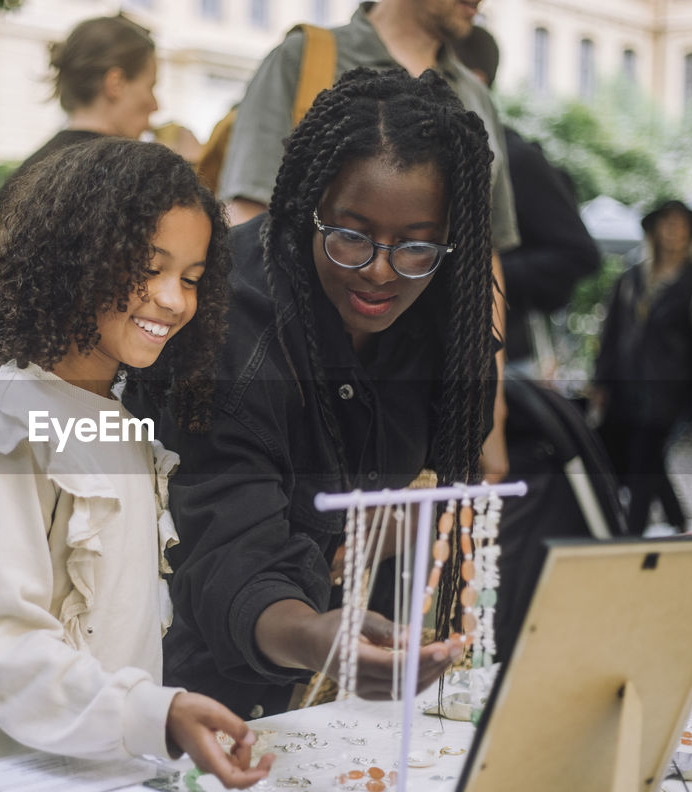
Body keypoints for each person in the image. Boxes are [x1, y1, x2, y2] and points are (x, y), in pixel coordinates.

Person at [0, 138, 274, 792]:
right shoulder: (13, 430)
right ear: (74, 262)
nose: (170, 298)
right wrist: (157, 713)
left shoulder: (115, 422)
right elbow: (4, 640)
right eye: (147, 268)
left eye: (190, 277)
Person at [133, 68, 487, 721]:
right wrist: (316, 635)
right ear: (308, 204)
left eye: (415, 246)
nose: (381, 271)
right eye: (351, 235)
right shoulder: (229, 334)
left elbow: (456, 465)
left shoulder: (444, 310)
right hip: (194, 700)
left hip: (334, 698)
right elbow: (225, 551)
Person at [213, 0, 517, 483]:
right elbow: (251, 219)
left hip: (410, 404)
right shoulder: (307, 56)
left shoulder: (475, 96)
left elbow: (482, 258)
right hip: (299, 387)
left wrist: (486, 407)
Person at [453, 24, 600, 375]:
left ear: (473, 79)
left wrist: (481, 274)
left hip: (501, 359)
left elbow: (580, 254)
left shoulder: (513, 157)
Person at [593, 200, 692, 533]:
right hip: (626, 383)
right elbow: (612, 331)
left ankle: (632, 533)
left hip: (671, 388)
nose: (673, 230)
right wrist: (600, 380)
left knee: (644, 455)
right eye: (667, 223)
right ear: (654, 230)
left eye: (680, 224)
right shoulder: (632, 277)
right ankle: (678, 521)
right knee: (644, 456)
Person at [0, 14, 158, 213]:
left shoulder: (24, 176)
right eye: (150, 86)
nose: (156, 105)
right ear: (116, 83)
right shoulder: (131, 179)